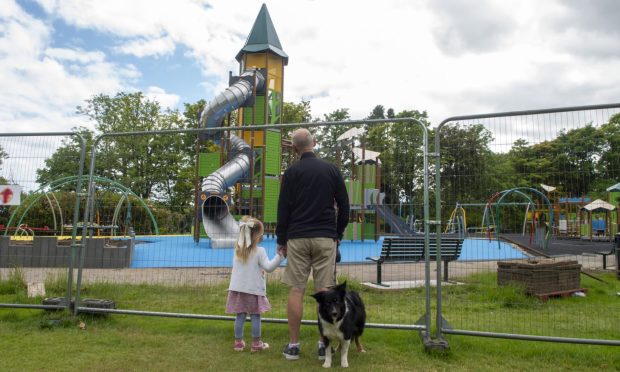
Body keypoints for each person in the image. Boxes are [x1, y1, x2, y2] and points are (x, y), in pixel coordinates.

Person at [276, 128, 350, 361]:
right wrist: (337, 234)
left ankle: (294, 346)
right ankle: (322, 345)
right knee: (325, 291)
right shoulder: (331, 170)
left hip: (297, 237)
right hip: (324, 236)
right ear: (315, 143)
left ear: (295, 148)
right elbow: (345, 206)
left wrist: (281, 238)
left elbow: (283, 208)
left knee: (297, 290)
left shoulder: (291, 172)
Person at [226, 215, 285, 352]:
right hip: (253, 290)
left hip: (237, 289)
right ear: (257, 236)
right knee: (255, 316)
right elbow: (269, 267)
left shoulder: (237, 251)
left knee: (240, 315)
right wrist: (280, 256)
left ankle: (238, 343)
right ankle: (256, 344)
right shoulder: (260, 251)